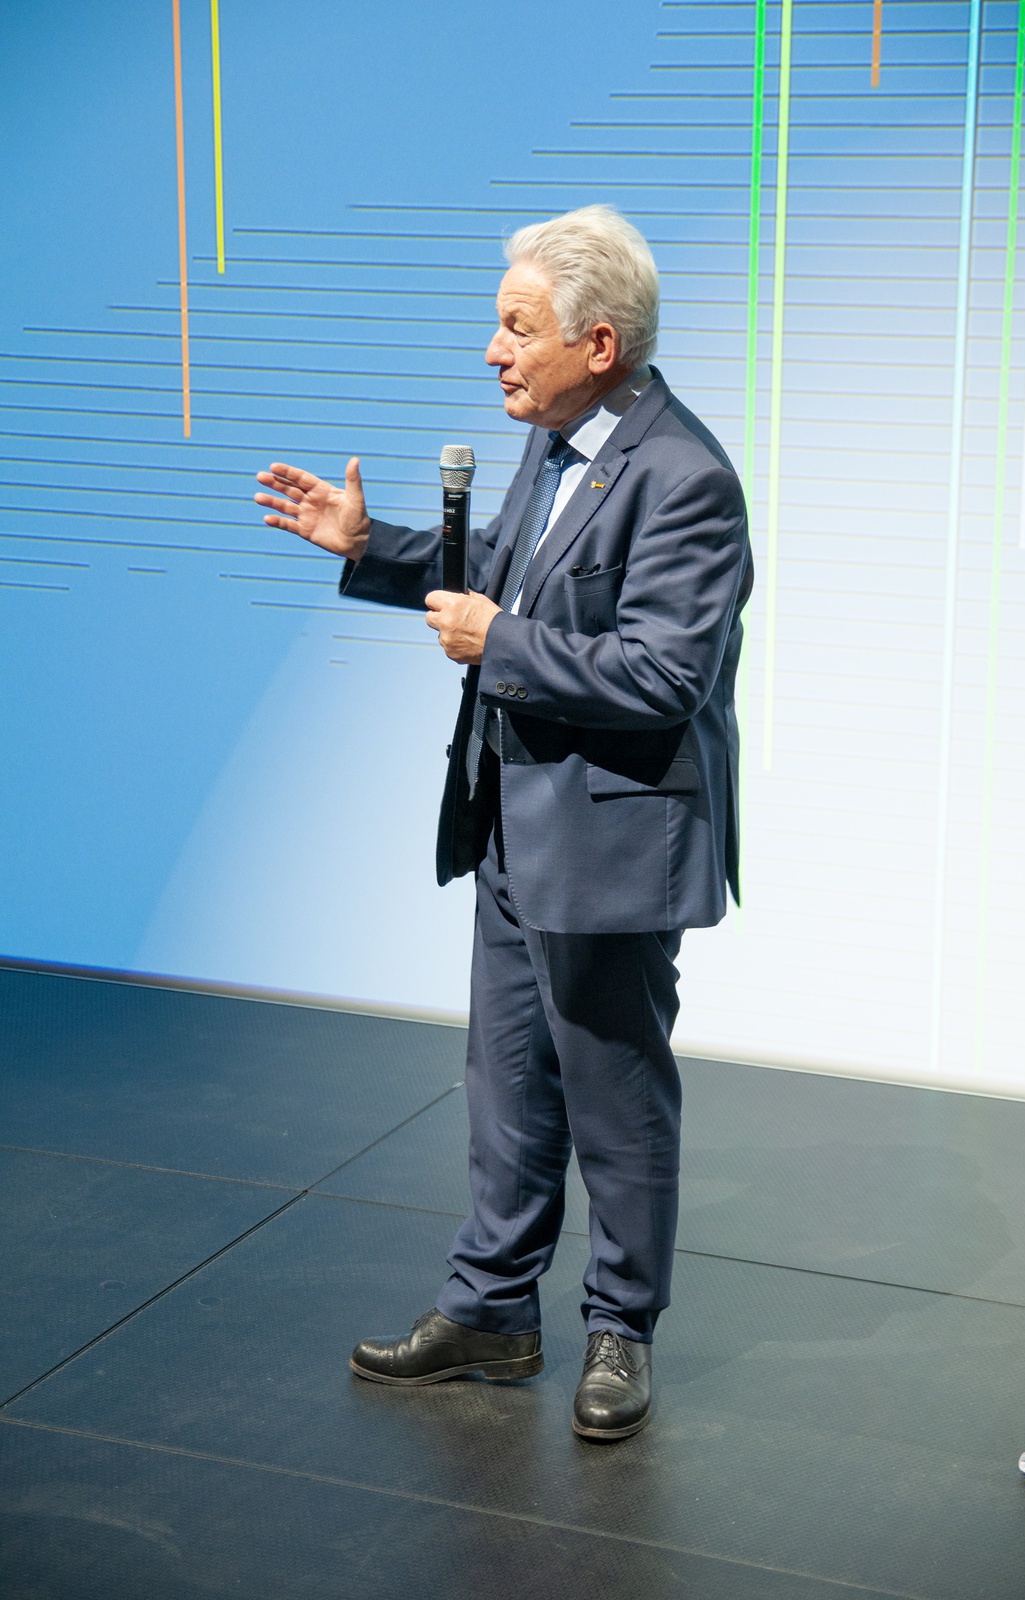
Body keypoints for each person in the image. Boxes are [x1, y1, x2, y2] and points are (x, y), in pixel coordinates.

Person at [254, 206, 752, 1442]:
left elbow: (665, 675)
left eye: (517, 328)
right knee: (507, 1085)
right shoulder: (555, 442)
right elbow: (505, 575)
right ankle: (490, 1309)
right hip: (514, 821)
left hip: (612, 840)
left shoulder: (686, 479)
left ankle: (622, 1329)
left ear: (598, 342)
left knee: (614, 1097)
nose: (493, 350)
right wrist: (371, 547)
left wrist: (506, 644)